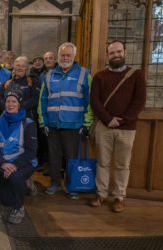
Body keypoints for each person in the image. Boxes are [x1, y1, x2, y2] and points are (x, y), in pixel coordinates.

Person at [90, 40, 146, 212]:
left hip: (126, 129)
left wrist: (122, 120)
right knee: (103, 162)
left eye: (118, 52)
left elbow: (139, 101)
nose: (116, 55)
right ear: (107, 55)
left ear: (125, 52)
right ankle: (101, 193)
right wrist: (108, 119)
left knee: (123, 164)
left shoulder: (136, 75)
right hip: (104, 127)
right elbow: (95, 101)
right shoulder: (100, 76)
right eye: (112, 53)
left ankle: (119, 197)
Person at [39, 42, 93, 200]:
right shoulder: (49, 76)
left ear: (74, 56)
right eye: (62, 55)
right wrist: (43, 122)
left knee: (71, 158)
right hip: (53, 125)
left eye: (68, 55)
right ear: (58, 56)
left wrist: (87, 123)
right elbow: (43, 100)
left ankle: (72, 186)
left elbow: (89, 102)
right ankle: (54, 183)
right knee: (53, 157)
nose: (65, 57)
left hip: (74, 125)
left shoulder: (84, 74)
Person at [0, 88, 37, 224]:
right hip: (4, 163)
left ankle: (19, 207)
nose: (10, 104)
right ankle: (24, 184)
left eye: (14, 102)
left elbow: (31, 151)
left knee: (15, 177)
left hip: (23, 163)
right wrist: (2, 163)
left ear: (19, 104)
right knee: (5, 201)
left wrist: (14, 166)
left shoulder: (28, 124)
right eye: (8, 101)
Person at [0, 56, 40, 121]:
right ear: (14, 67)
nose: (20, 68)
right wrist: (8, 107)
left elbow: (35, 99)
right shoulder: (7, 83)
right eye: (18, 65)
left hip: (26, 120)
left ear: (27, 68)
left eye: (23, 66)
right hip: (9, 119)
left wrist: (18, 107)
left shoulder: (32, 82)